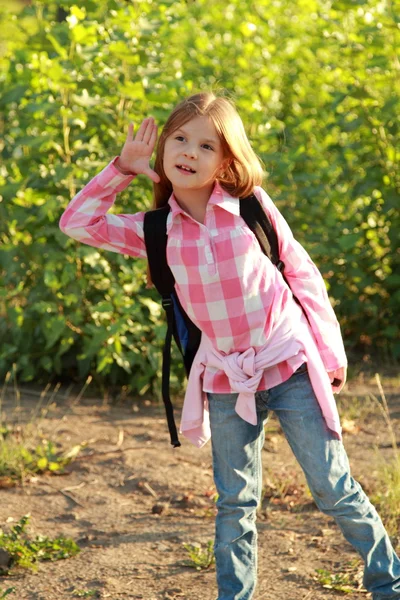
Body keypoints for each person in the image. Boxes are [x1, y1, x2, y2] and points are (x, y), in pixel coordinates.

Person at [59, 91, 400, 600]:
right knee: (235, 502)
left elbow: (301, 273)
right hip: (223, 375)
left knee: (333, 488)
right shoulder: (156, 231)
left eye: (205, 145)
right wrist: (120, 170)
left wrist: (330, 353)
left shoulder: (250, 209)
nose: (189, 153)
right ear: (163, 150)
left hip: (287, 362)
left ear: (226, 159)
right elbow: (77, 224)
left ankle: (388, 582)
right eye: (179, 139)